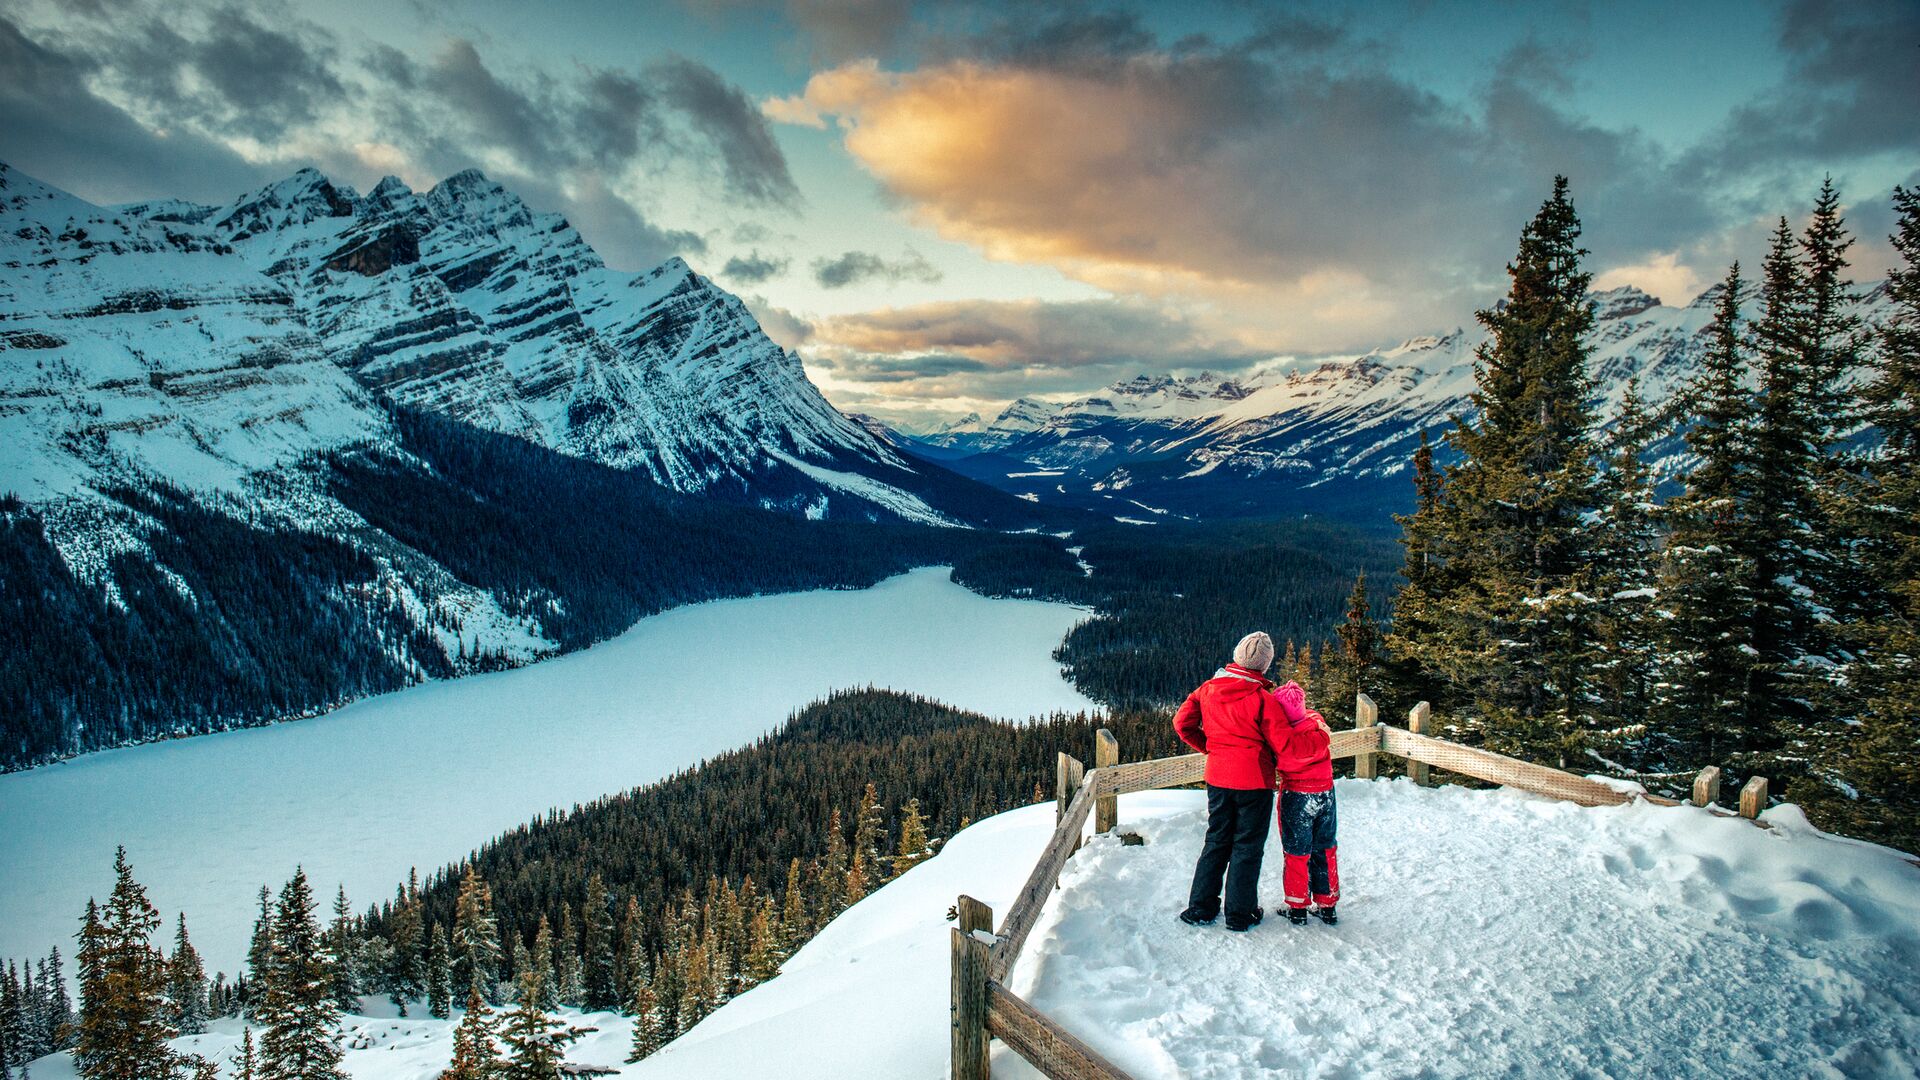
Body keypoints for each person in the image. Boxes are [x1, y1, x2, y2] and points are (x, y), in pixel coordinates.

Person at [1172, 631, 1291, 931]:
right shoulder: (1263, 699)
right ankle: (1239, 914)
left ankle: (1200, 908)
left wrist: (1211, 748)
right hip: (1255, 782)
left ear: (1237, 657)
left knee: (1216, 841)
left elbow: (1181, 723)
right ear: (1264, 667)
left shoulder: (1208, 689)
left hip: (1219, 779)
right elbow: (1283, 743)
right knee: (1247, 846)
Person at [1270, 681, 1339, 925]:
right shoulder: (1318, 727)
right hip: (1325, 794)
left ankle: (1297, 906)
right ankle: (1327, 904)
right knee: (1325, 847)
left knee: (1296, 852)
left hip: (1296, 796)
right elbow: (1313, 716)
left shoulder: (1281, 738)